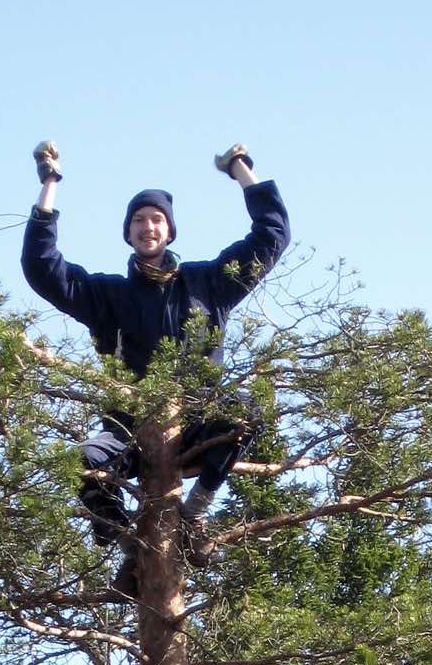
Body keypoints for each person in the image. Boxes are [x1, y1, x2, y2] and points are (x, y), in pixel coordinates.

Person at [21, 140, 290, 595]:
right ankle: (131, 544)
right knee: (82, 462)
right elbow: (43, 268)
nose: (149, 227)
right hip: (127, 427)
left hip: (200, 423)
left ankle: (195, 512)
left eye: (157, 219)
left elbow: (272, 236)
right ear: (128, 233)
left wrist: (240, 170)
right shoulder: (108, 296)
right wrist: (50, 184)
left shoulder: (208, 284)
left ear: (170, 231)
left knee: (247, 409)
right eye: (139, 220)